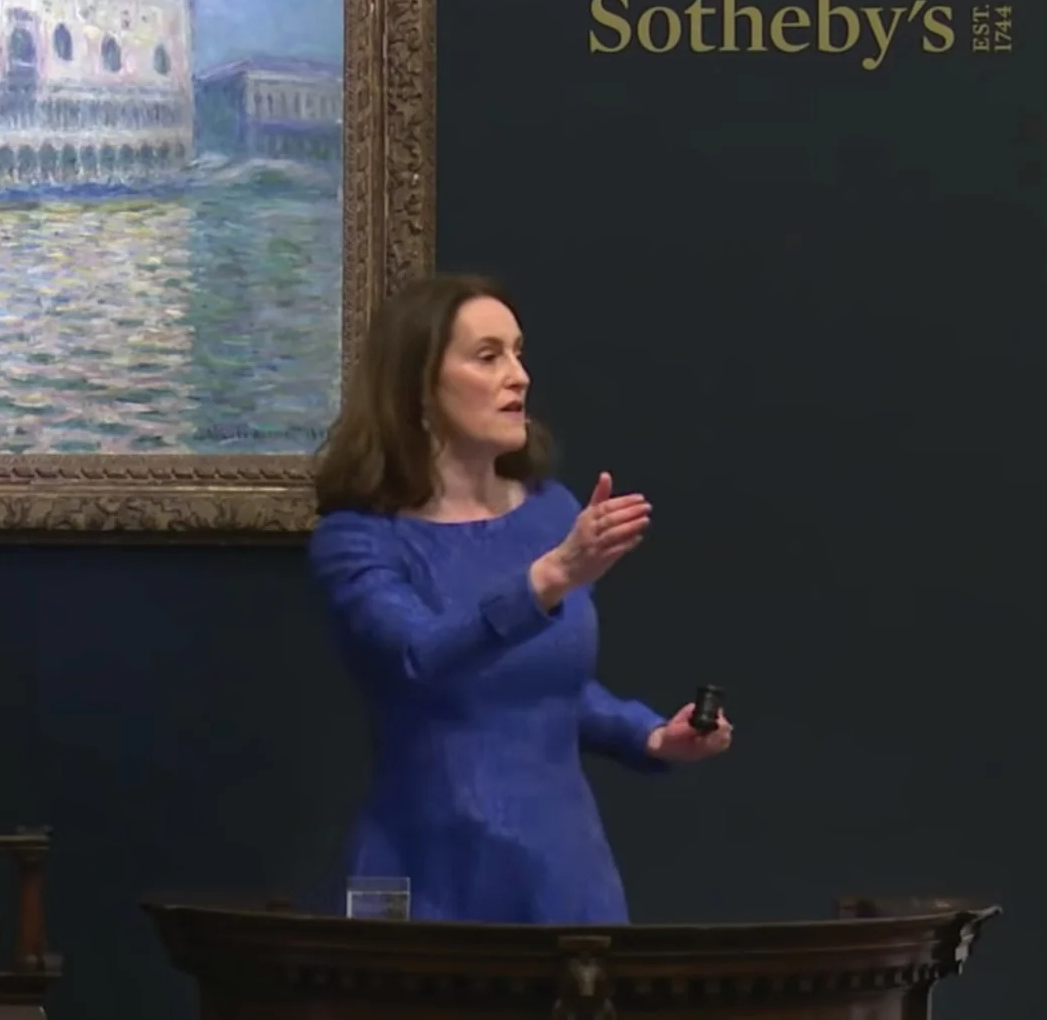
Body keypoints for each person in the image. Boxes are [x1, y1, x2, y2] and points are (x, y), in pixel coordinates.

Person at [308, 274, 733, 925]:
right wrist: (548, 578)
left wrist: (649, 736)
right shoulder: (357, 539)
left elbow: (546, 685)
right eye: (488, 356)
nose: (519, 376)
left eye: (517, 351)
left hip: (561, 872)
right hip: (424, 875)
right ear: (417, 390)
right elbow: (416, 659)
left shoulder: (549, 513)